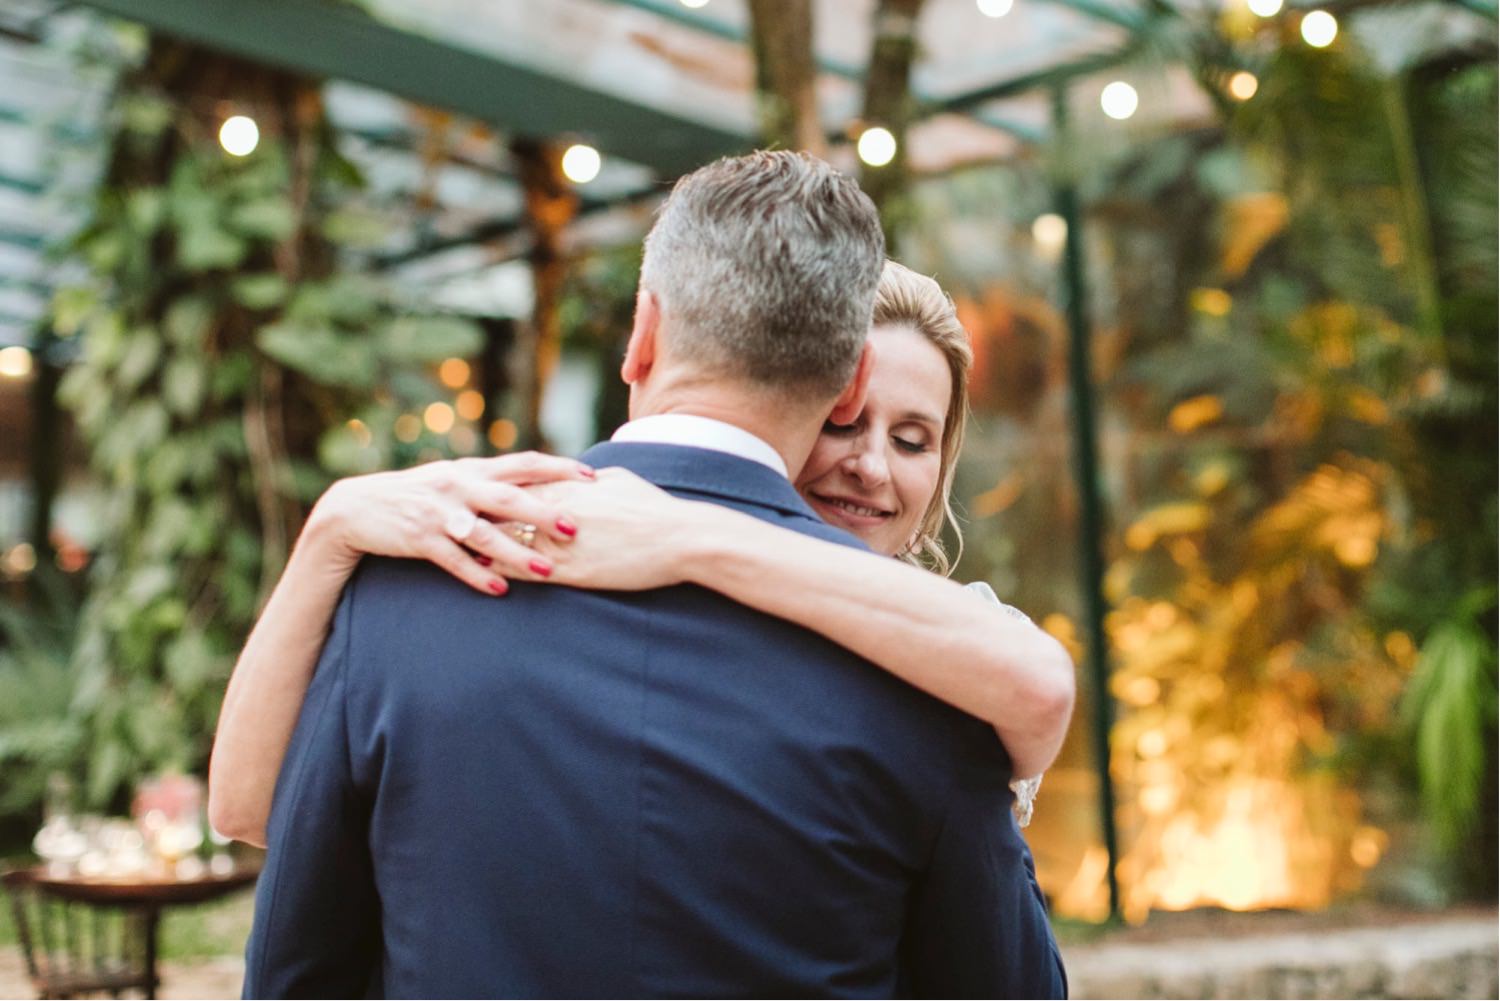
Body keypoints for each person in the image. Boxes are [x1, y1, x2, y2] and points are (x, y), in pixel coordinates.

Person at [238, 151, 1068, 998]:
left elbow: (293, 972)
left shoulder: (411, 584)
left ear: (642, 331)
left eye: (915, 439)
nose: (872, 470)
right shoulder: (937, 677)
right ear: (850, 383)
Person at [210, 262, 1072, 846]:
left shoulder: (952, 648)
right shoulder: (601, 566)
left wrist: (691, 537)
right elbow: (248, 806)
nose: (872, 465)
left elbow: (1040, 688)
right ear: (793, 404)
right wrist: (328, 530)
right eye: (843, 422)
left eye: (914, 439)